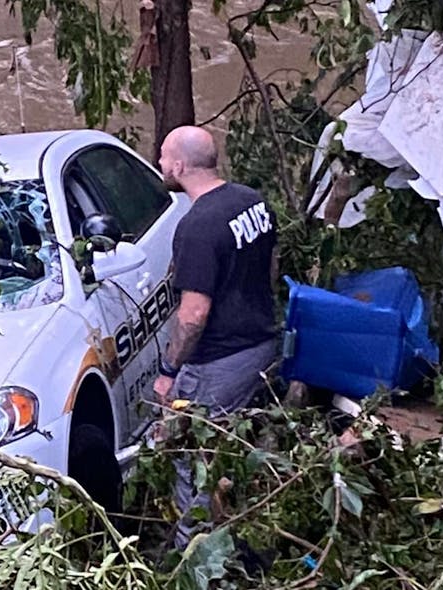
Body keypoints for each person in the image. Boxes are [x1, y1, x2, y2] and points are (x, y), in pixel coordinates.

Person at [151, 125, 279, 549]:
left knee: (190, 458)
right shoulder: (251, 201)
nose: (159, 163)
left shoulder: (197, 227)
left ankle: (198, 555)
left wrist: (170, 369)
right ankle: (239, 528)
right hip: (261, 344)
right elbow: (269, 268)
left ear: (180, 165)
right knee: (232, 447)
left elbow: (193, 315)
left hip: (220, 360)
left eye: (164, 156)